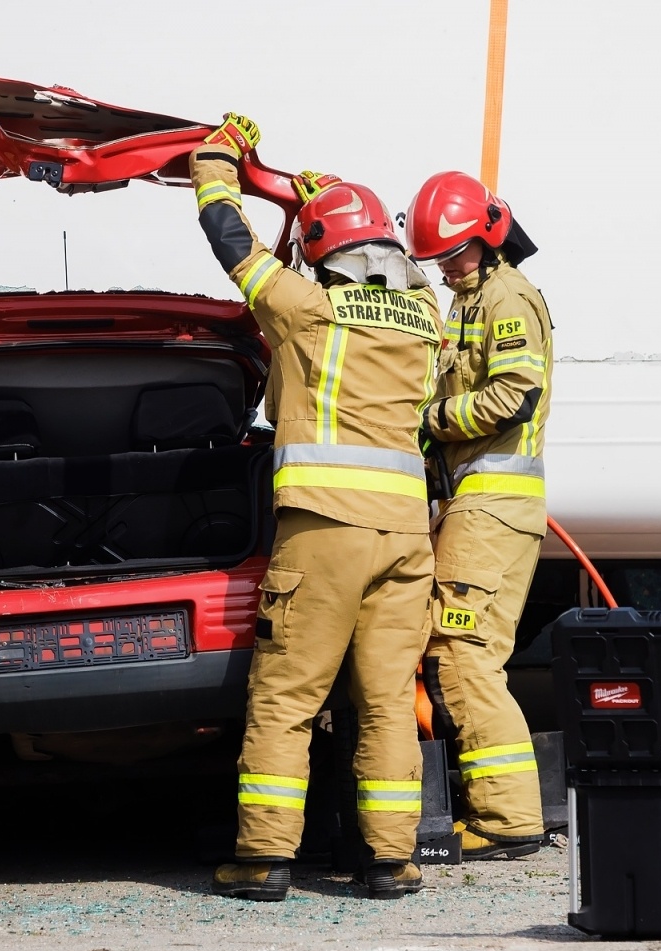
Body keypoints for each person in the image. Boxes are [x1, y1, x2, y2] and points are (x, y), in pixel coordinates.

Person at [191, 115, 441, 901]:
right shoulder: (427, 317)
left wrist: (216, 162)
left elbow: (229, 238)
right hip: (405, 540)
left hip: (324, 530)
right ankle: (391, 862)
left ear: (321, 251)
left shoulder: (309, 310)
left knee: (288, 697)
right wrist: (325, 197)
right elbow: (403, 276)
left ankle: (264, 859)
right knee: (386, 703)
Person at [405, 171, 550, 859]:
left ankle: (507, 821)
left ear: (489, 237)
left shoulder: (508, 297)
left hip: (493, 506)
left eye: (458, 251)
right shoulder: (465, 300)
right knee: (464, 653)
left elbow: (515, 393)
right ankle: (505, 814)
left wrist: (433, 420)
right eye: (439, 256)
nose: (448, 264)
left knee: (463, 652)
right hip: (476, 505)